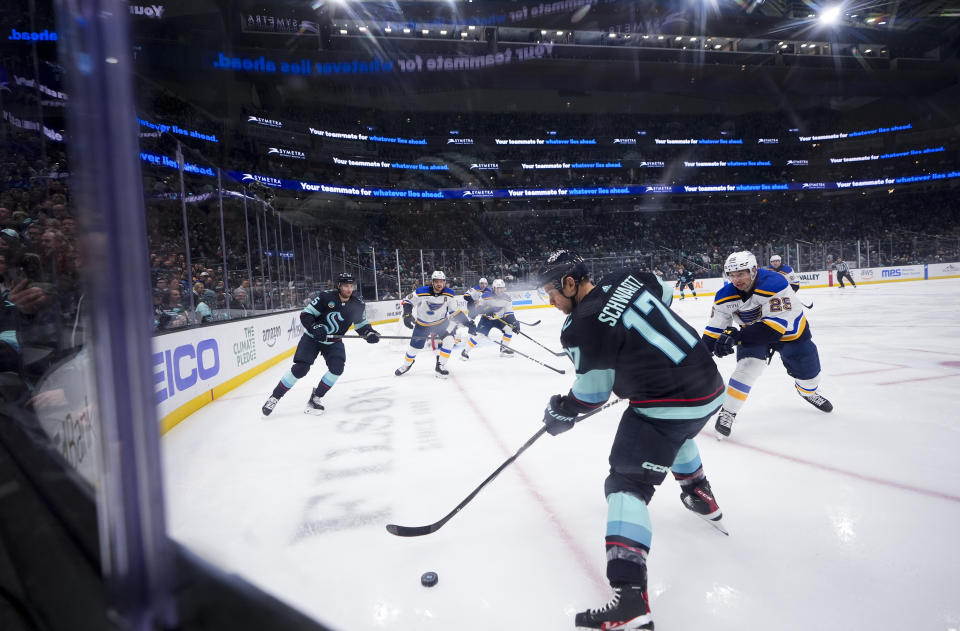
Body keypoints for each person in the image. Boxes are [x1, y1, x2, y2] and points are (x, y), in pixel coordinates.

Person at [536, 250, 727, 630]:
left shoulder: (580, 325)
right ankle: (698, 493)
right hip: (709, 386)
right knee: (675, 433)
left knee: (626, 483)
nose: (551, 302)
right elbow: (666, 297)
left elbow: (592, 393)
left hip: (667, 402)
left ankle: (629, 598)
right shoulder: (628, 277)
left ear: (570, 283)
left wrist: (562, 411)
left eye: (552, 293)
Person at [702, 251, 832, 440]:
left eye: (741, 274)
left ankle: (807, 391)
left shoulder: (775, 284)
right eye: (732, 275)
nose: (736, 279)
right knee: (746, 368)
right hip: (752, 333)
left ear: (754, 270)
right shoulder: (724, 296)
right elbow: (713, 331)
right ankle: (728, 412)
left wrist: (735, 337)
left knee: (810, 377)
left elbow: (773, 330)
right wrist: (700, 355)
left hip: (791, 333)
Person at [261, 272, 379, 417]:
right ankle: (275, 397)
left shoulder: (357, 305)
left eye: (351, 286)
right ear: (338, 286)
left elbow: (361, 325)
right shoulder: (325, 297)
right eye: (346, 286)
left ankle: (316, 397)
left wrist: (369, 333)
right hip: (312, 339)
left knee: (337, 368)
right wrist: (315, 327)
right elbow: (306, 315)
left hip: (333, 342)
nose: (349, 289)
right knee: (300, 369)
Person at [396, 270, 472, 379]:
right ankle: (407, 364)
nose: (439, 284)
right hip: (422, 325)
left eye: (441, 281)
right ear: (432, 282)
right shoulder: (421, 291)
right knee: (414, 349)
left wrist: (468, 324)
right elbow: (407, 301)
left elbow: (455, 312)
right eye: (437, 281)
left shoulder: (449, 294)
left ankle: (440, 365)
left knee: (449, 340)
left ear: (444, 282)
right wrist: (407, 314)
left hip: (441, 324)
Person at [460, 278, 519, 360]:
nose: (500, 290)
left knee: (509, 329)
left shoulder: (507, 298)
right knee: (479, 335)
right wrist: (487, 310)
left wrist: (514, 322)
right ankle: (465, 351)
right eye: (498, 288)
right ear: (494, 288)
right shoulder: (485, 296)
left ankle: (503, 349)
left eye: (502, 288)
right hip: (486, 320)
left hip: (499, 319)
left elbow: (509, 313)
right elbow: (478, 309)